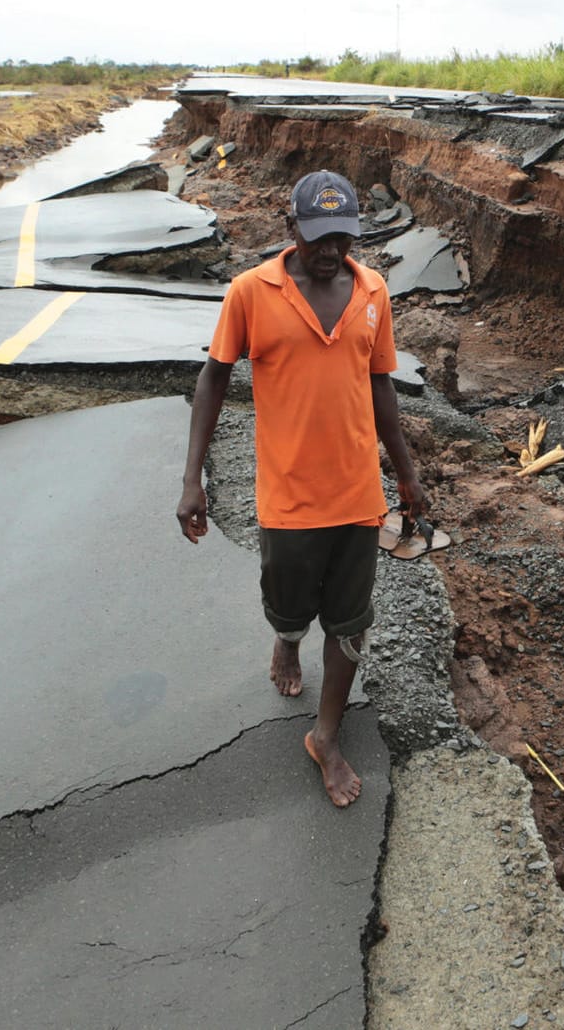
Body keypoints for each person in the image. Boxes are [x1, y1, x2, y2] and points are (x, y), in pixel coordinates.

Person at [176, 170, 427, 808]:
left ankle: (326, 734)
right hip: (287, 498)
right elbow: (212, 380)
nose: (329, 251)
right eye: (317, 236)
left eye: (342, 238)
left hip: (356, 496)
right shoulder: (249, 292)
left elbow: (381, 386)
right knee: (289, 604)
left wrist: (406, 473)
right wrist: (192, 479)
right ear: (291, 227)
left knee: (350, 623)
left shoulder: (373, 290)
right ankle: (286, 642)